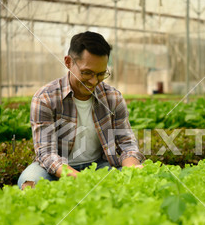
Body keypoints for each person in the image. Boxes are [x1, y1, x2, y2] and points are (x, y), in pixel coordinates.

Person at [18, 31, 144, 190]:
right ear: (68, 62)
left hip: (99, 166)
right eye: (86, 73)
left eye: (100, 74)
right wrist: (82, 180)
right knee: (30, 184)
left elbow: (127, 144)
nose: (93, 81)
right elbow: (47, 154)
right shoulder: (45, 98)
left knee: (137, 179)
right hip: (55, 169)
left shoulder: (113, 98)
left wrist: (132, 169)